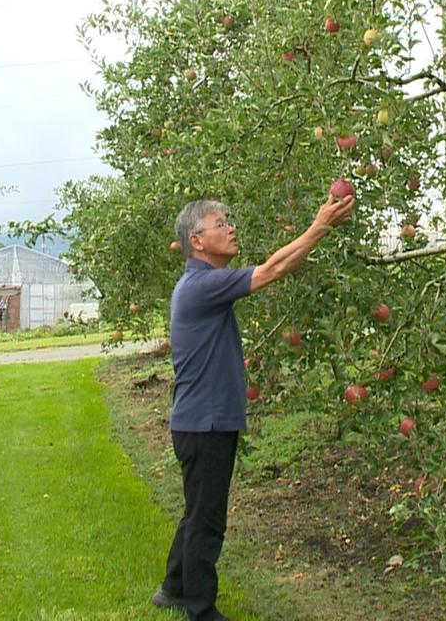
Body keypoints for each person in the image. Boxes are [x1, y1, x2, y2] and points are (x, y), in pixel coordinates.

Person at [152, 194, 354, 621]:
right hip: (206, 424)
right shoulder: (203, 284)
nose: (231, 228)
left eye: (229, 221)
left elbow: (285, 266)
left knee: (197, 510)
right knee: (208, 521)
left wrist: (309, 242)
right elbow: (274, 269)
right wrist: (320, 225)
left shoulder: (201, 284)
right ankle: (200, 609)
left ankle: (173, 587)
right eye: (220, 223)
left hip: (198, 421)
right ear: (198, 240)